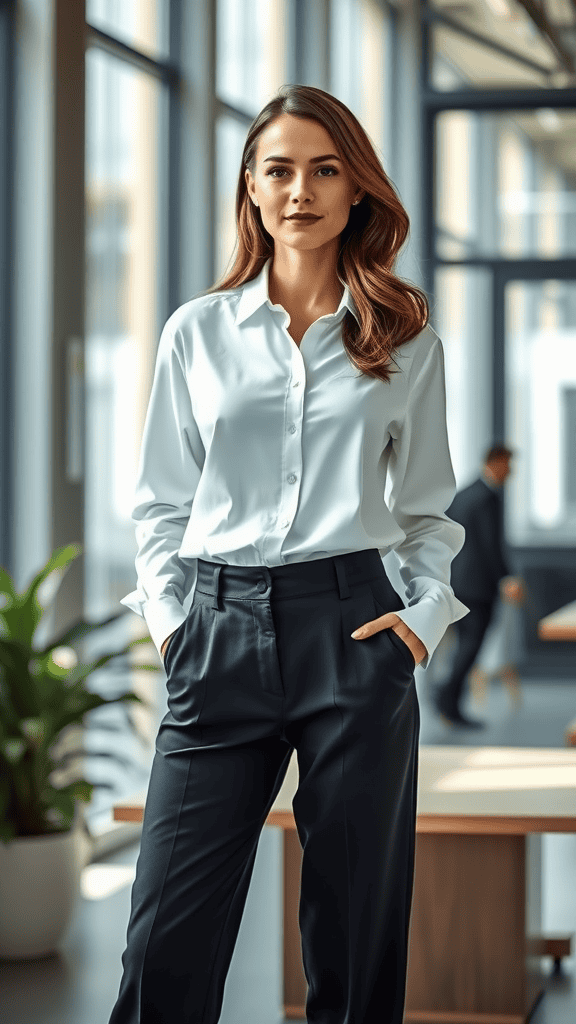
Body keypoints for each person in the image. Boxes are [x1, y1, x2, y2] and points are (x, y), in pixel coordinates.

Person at [109, 84, 468, 1024]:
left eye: (324, 169)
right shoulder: (197, 332)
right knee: (164, 938)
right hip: (216, 630)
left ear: (358, 192)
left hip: (355, 627)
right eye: (278, 169)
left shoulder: (404, 338)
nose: (299, 190)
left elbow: (429, 510)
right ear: (251, 189)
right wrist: (174, 622)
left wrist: (419, 627)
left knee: (355, 934)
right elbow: (158, 504)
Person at [431, 443, 524, 729]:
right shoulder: (486, 498)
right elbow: (489, 544)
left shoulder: (465, 494)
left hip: (460, 582)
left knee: (465, 646)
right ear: (496, 462)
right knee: (470, 646)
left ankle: (448, 699)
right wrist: (506, 578)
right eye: (509, 464)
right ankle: (448, 700)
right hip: (478, 586)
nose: (512, 471)